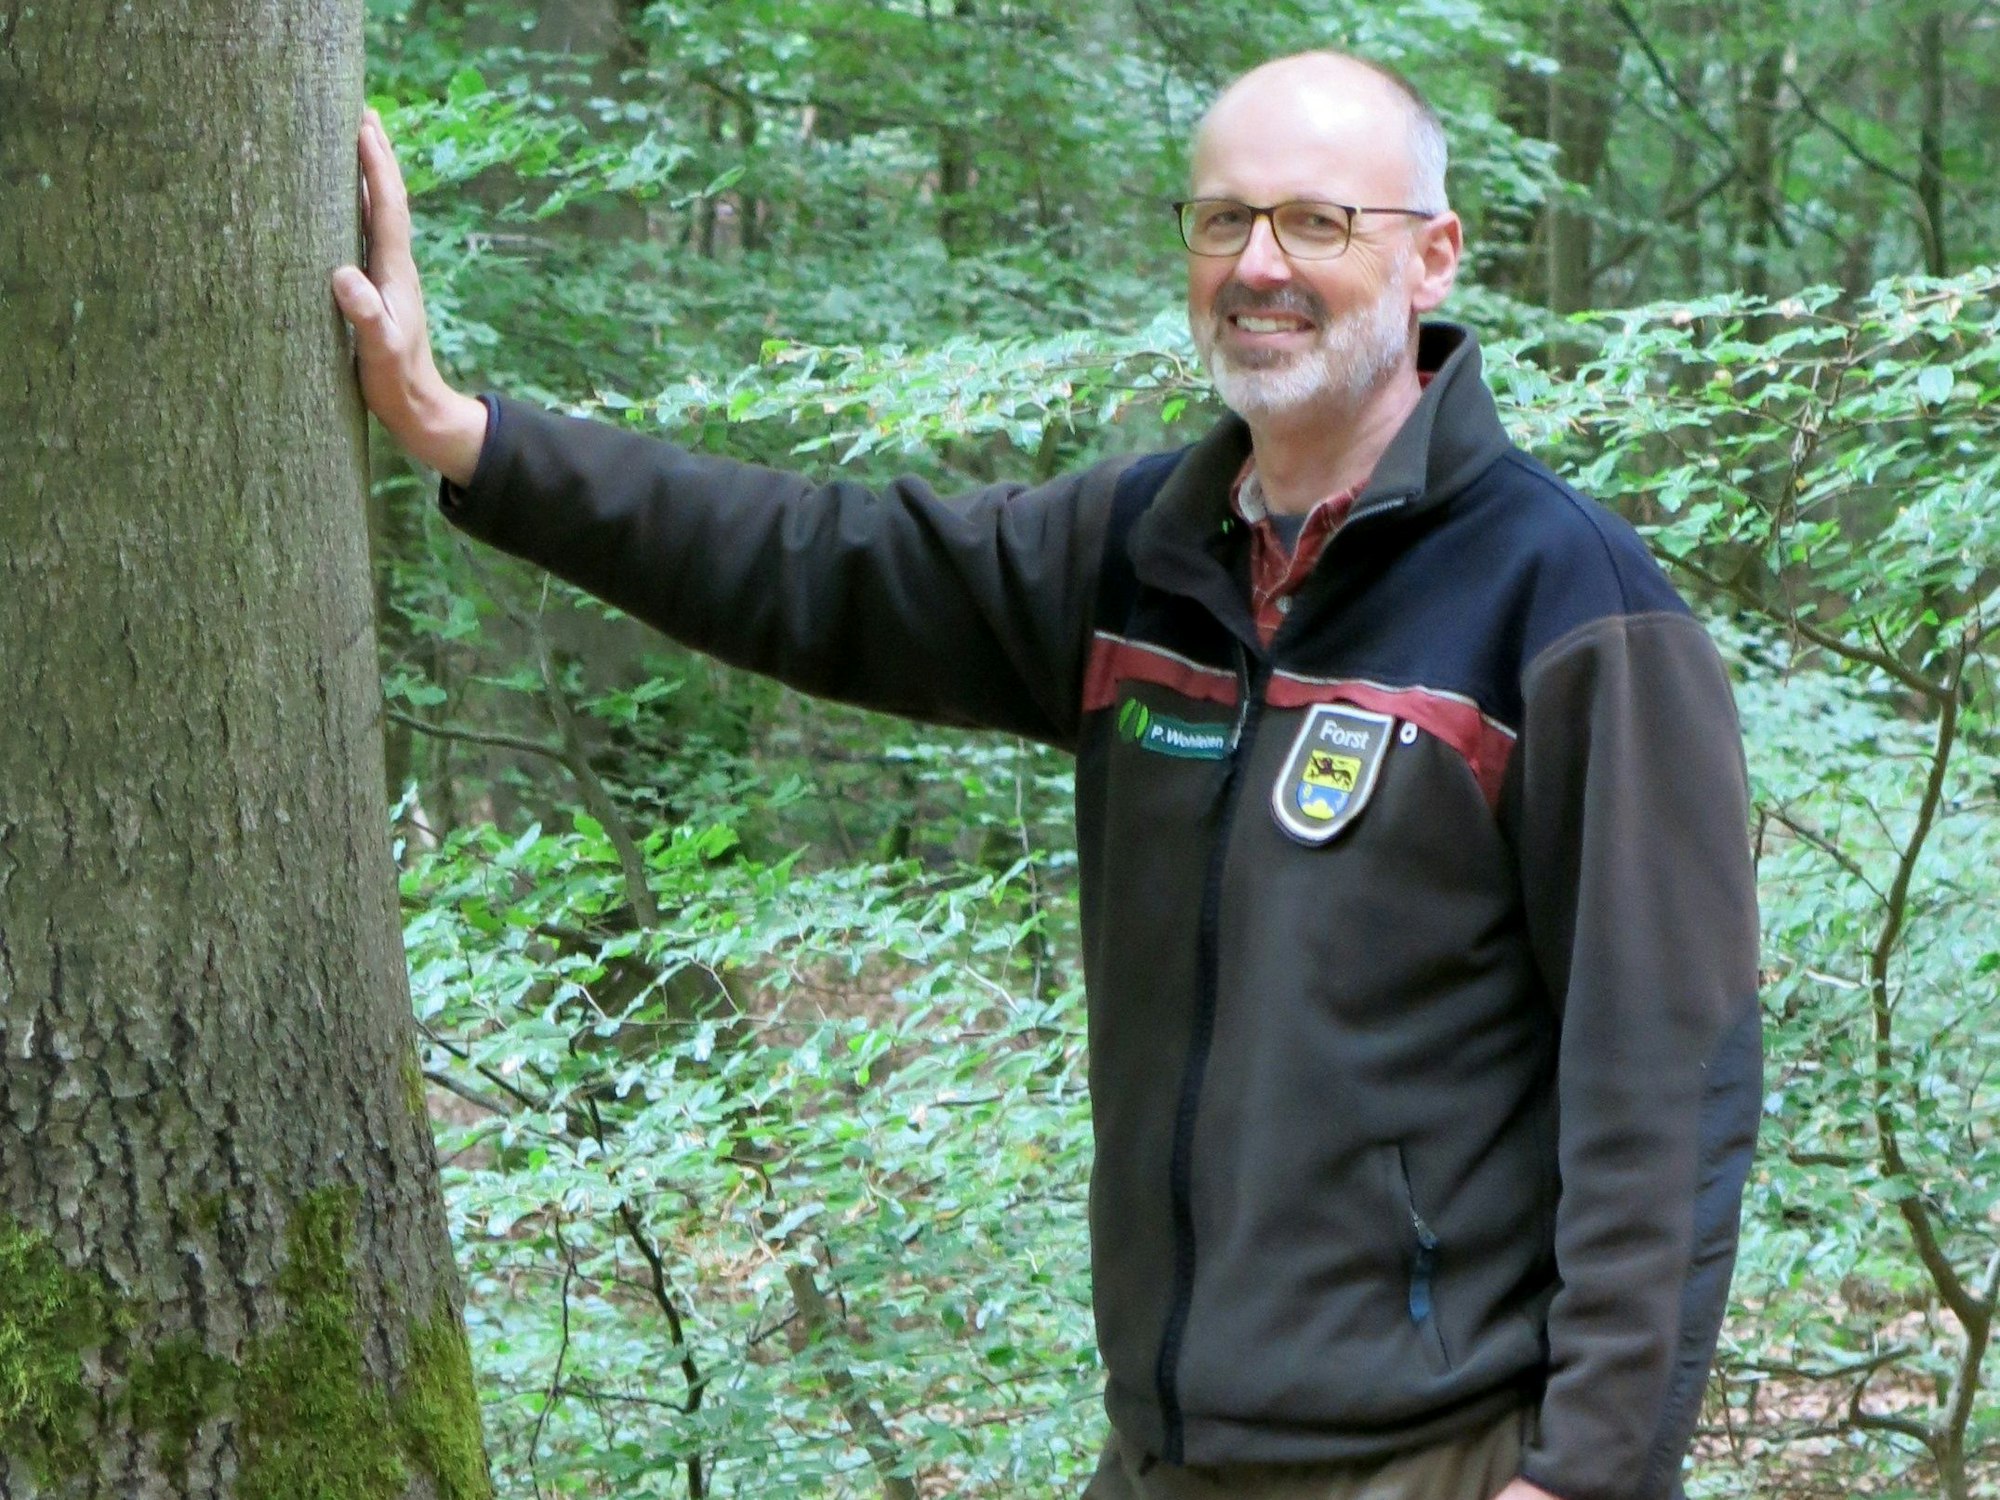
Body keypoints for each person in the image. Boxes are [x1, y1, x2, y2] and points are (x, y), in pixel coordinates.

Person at [335, 50, 1761, 1500]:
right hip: (1162, 1455)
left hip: (1437, 1458)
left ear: (1432, 255)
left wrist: (1587, 1473)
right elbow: (814, 562)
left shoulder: (1569, 610)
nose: (1258, 264)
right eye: (1224, 220)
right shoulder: (1143, 554)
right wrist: (468, 437)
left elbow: (1671, 1080)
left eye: (1317, 222)